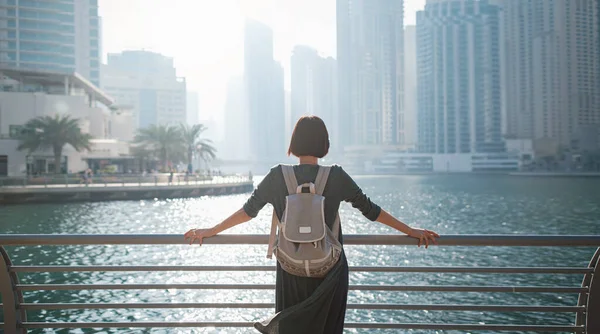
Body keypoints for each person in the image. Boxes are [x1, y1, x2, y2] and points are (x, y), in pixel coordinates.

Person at [184, 116, 439, 334]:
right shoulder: (336, 176)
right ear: (324, 144)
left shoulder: (276, 176)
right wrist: (411, 231)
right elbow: (371, 211)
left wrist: (210, 231)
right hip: (329, 270)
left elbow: (247, 212)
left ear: (294, 144)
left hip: (290, 268)